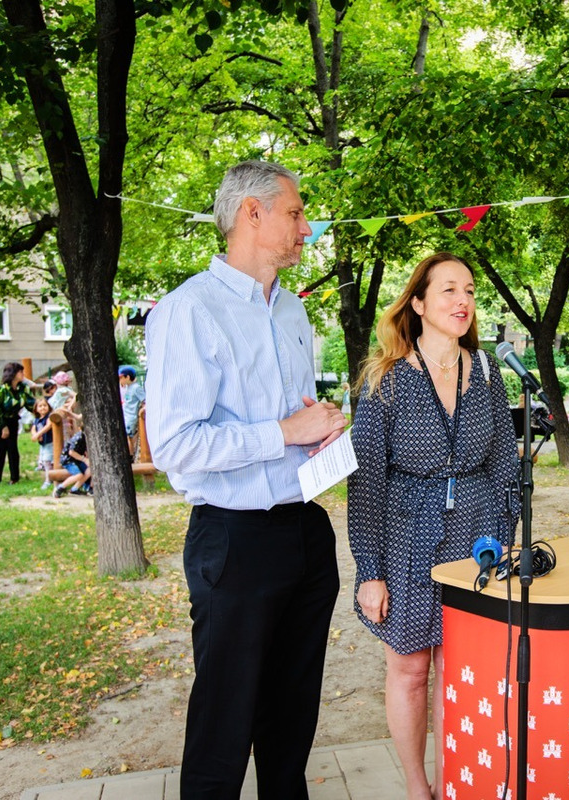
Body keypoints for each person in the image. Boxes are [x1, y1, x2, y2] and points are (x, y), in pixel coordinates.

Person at [145, 160, 346, 800]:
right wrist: (284, 431)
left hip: (305, 532)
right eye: (295, 212)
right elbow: (176, 443)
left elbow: (294, 414)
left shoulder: (292, 312)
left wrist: (319, 430)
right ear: (251, 214)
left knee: (292, 719)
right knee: (225, 721)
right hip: (232, 541)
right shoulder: (187, 311)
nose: (307, 227)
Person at [348, 252, 520, 800]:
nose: (462, 300)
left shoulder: (488, 373)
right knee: (411, 672)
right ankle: (418, 787)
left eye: (468, 289)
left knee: (460, 669)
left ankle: (455, 781)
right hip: (405, 540)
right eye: (447, 290)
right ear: (418, 303)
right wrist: (369, 571)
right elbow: (367, 483)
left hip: (477, 539)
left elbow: (504, 467)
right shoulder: (386, 379)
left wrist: (503, 536)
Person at [0, 362, 34, 484]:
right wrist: (3, 427)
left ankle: (14, 478)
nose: (23, 374)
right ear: (13, 374)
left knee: (13, 448)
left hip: (13, 418)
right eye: (20, 372)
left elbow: (31, 404)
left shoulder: (23, 388)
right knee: (0, 447)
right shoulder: (1, 390)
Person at [52, 417, 91, 497]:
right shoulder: (79, 437)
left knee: (90, 470)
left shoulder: (87, 438)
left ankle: (75, 488)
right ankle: (60, 487)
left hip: (77, 459)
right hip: (68, 460)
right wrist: (84, 459)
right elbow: (71, 452)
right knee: (79, 475)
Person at [118, 365, 145, 456]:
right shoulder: (128, 388)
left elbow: (145, 400)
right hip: (126, 416)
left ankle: (130, 456)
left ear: (128, 377)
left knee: (129, 437)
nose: (120, 380)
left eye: (121, 377)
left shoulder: (136, 388)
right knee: (128, 437)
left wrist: (141, 410)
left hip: (131, 417)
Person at [30, 398, 56, 490]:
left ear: (48, 407)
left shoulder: (49, 417)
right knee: (45, 461)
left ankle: (48, 480)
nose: (42, 408)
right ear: (36, 409)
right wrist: (34, 435)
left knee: (47, 461)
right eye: (40, 406)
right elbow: (33, 428)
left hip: (50, 442)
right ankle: (51, 477)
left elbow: (48, 426)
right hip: (43, 444)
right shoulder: (37, 419)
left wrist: (38, 434)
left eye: (45, 405)